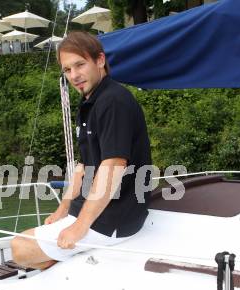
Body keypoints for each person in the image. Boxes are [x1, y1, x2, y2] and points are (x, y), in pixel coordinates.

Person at [11, 31, 152, 270]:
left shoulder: (113, 101)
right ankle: (69, 255)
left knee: (19, 248)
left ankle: (71, 261)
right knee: (25, 242)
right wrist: (63, 208)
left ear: (100, 60)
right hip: (93, 210)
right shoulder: (90, 101)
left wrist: (79, 226)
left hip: (113, 218)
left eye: (79, 65)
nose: (74, 76)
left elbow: (114, 165)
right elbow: (83, 167)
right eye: (67, 70)